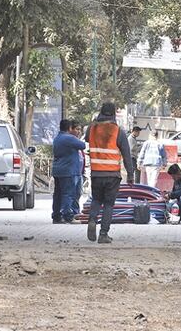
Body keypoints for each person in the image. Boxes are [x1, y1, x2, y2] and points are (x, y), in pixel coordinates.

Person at [85, 102, 135, 244]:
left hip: (96, 173)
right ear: (113, 113)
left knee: (96, 200)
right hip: (112, 175)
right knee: (108, 204)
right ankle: (103, 234)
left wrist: (94, 122)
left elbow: (87, 138)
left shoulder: (92, 129)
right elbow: (126, 154)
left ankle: (92, 220)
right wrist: (130, 175)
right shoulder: (118, 131)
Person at [51, 119, 86, 224]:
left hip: (58, 170)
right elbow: (83, 145)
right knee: (68, 194)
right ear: (69, 128)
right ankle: (68, 216)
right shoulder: (69, 138)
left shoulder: (57, 138)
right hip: (68, 171)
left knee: (57, 194)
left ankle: (56, 216)